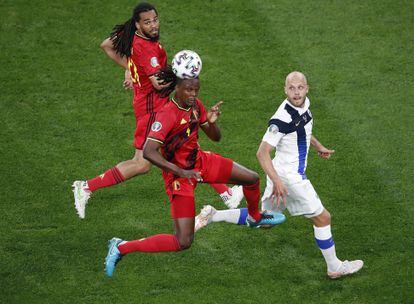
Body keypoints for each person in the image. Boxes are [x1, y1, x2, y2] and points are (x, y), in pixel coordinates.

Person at [71, 2, 243, 219]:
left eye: (155, 20)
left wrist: (132, 70)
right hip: (154, 110)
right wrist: (180, 74)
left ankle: (227, 194)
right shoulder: (148, 48)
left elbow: (106, 44)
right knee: (142, 163)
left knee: (185, 146)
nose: (153, 25)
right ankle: (85, 187)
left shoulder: (132, 33)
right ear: (138, 24)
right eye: (147, 22)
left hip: (149, 104)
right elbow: (158, 84)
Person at [104, 72, 282, 277]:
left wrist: (212, 122)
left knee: (252, 179)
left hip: (200, 162)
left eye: (196, 89)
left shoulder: (196, 105)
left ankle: (255, 217)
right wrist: (181, 171)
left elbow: (216, 138)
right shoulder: (166, 115)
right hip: (179, 178)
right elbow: (148, 151)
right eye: (189, 89)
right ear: (177, 88)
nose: (193, 94)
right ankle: (121, 247)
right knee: (183, 241)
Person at [255, 71, 363, 279]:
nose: (296, 93)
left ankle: (213, 215)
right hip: (289, 177)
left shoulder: (304, 105)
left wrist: (318, 146)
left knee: (266, 220)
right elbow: (262, 152)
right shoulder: (281, 118)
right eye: (292, 88)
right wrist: (277, 181)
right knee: (323, 218)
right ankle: (334, 267)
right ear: (285, 90)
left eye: (300, 87)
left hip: (281, 171)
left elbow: (303, 129)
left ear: (307, 88)